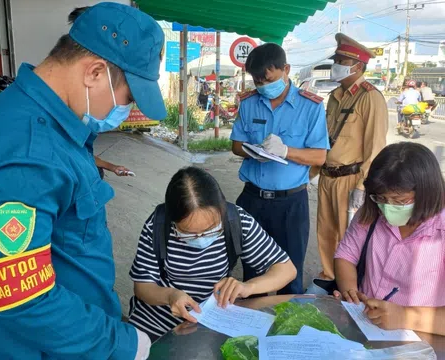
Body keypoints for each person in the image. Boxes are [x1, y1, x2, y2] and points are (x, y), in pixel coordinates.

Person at [0, 3, 166, 359]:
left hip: (73, 340)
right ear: (94, 72)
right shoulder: (25, 154)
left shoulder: (50, 126)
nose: (121, 114)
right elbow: (23, 299)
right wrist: (121, 344)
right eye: (127, 98)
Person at [128, 167, 297, 341]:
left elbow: (286, 270)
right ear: (173, 220)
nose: (200, 240)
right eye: (189, 233)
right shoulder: (157, 225)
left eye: (211, 230)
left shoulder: (236, 221)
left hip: (210, 319)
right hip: (158, 317)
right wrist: (170, 296)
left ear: (222, 209)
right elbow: (143, 287)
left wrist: (249, 287)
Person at [230, 43, 329, 294]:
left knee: (290, 274)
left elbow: (319, 156)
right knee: (252, 274)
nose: (263, 86)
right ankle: (253, 329)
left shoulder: (311, 107)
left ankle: (286, 332)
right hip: (252, 201)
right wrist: (253, 152)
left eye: (268, 79)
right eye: (257, 81)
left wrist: (286, 151)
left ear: (286, 69)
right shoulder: (250, 102)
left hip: (291, 204)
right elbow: (236, 145)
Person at [334, 142, 445, 336]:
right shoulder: (370, 213)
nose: (388, 208)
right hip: (365, 325)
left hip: (421, 339)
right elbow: (346, 255)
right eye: (382, 199)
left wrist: (404, 316)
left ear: (427, 192)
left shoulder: (440, 231)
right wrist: (351, 293)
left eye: (400, 201)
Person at [311, 33, 388, 285]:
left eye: (342, 60)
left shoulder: (370, 97)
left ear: (358, 66)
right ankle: (328, 279)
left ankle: (349, 286)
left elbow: (375, 146)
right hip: (328, 175)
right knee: (326, 232)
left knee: (349, 237)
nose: (337, 65)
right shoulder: (334, 96)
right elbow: (326, 138)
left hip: (351, 178)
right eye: (337, 60)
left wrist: (362, 185)